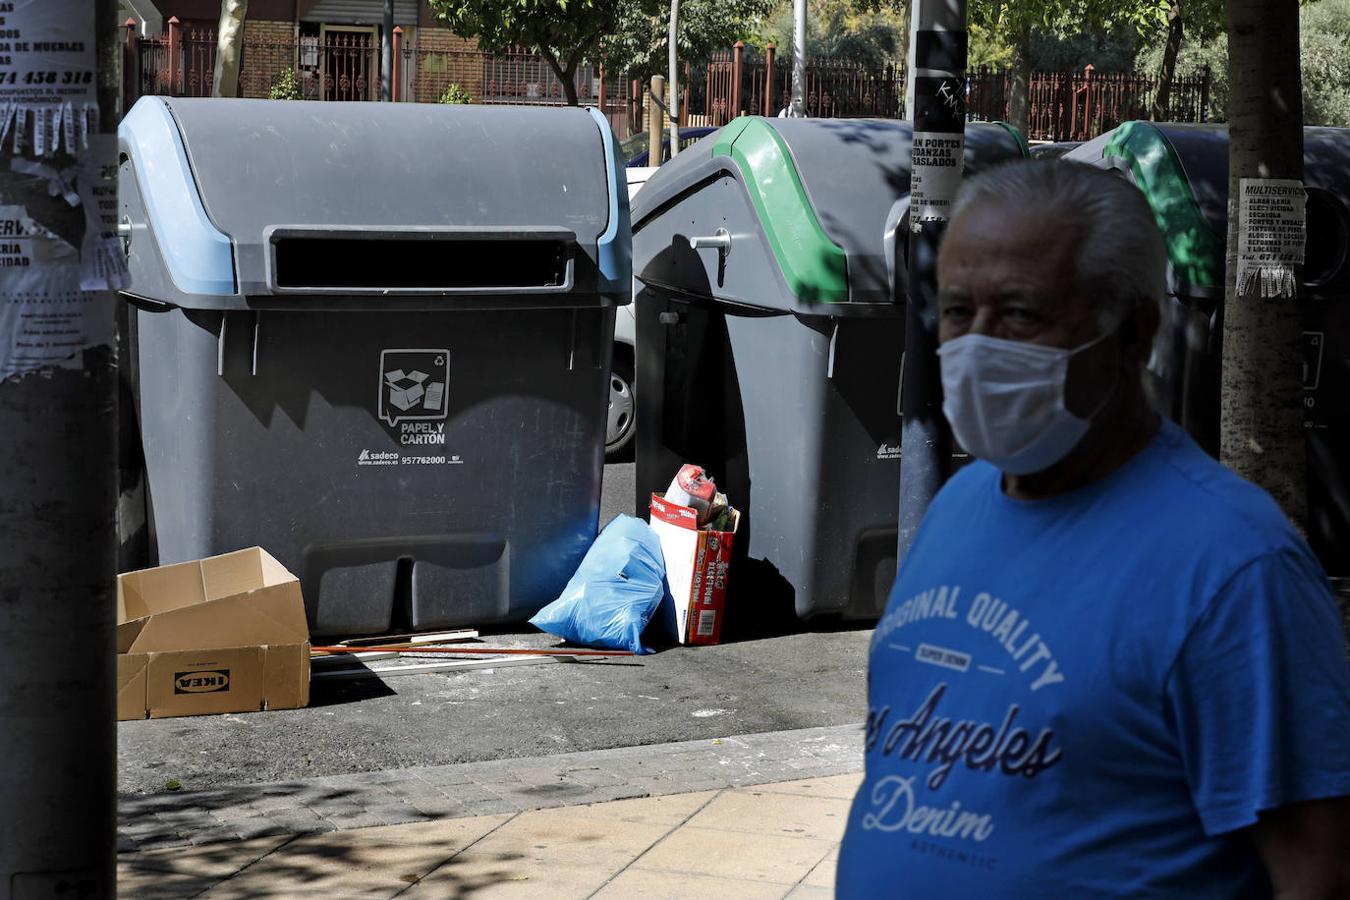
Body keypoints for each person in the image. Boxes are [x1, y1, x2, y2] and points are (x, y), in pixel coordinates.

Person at [836, 160, 1350, 897]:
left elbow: (1318, 873)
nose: (977, 347)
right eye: (957, 311)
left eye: (1020, 313)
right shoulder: (959, 506)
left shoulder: (1238, 570)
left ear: (1135, 332)